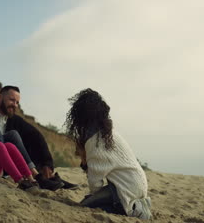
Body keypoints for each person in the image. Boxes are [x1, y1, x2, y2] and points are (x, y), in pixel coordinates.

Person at [65, 88, 152, 219]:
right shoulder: (109, 134)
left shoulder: (95, 140)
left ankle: (135, 209)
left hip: (126, 188)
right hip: (138, 184)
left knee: (86, 204)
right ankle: (137, 203)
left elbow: (95, 183)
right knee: (95, 199)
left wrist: (94, 196)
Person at [0, 85, 77, 190]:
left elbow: (36, 136)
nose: (14, 105)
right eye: (11, 100)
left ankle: (46, 175)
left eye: (17, 102)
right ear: (0, 97)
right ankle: (38, 177)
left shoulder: (11, 119)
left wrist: (47, 163)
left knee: (29, 141)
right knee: (13, 136)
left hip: (3, 160)